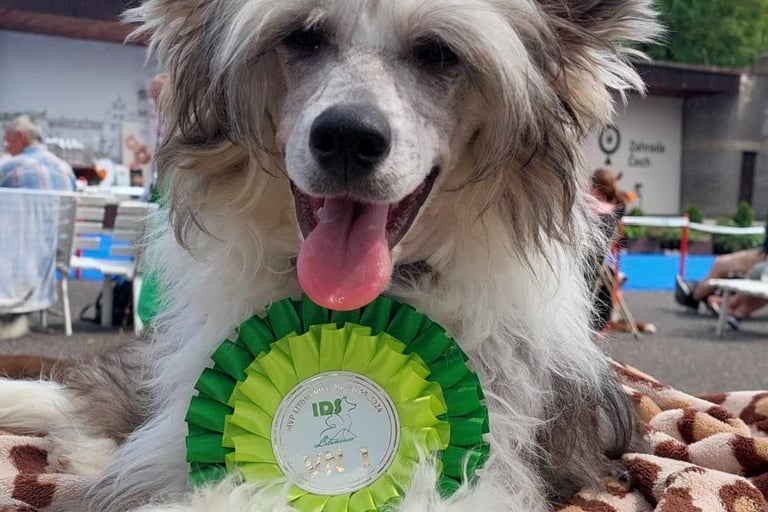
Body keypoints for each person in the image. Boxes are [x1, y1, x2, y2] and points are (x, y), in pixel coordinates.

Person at [0, 115, 76, 191]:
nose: (7, 148)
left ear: (20, 136)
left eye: (7, 141)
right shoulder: (66, 169)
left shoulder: (9, 168)